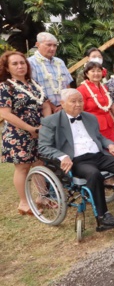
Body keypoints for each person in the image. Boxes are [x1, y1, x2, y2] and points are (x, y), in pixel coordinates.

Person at [38, 89, 114, 230]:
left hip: (97, 155)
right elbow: (43, 147)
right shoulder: (51, 121)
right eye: (73, 101)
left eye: (80, 101)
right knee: (94, 174)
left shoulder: (89, 117)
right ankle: (103, 215)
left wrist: (110, 144)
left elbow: (99, 137)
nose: (78, 104)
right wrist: (62, 156)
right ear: (62, 104)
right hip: (76, 160)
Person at [0, 51, 51, 215]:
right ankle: (23, 203)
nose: (20, 66)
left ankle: (42, 197)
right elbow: (5, 114)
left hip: (40, 130)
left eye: (22, 63)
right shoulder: (4, 87)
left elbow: (45, 105)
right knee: (23, 168)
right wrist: (30, 129)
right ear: (7, 68)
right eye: (15, 64)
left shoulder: (33, 84)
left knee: (39, 164)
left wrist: (46, 124)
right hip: (18, 134)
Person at [28, 32, 73, 112]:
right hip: (44, 110)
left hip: (64, 108)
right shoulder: (30, 63)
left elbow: (67, 85)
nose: (52, 48)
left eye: (55, 45)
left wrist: (66, 104)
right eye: (48, 45)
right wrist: (53, 108)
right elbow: (34, 89)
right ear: (37, 44)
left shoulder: (60, 62)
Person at [77, 62, 114, 143]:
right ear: (87, 74)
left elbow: (107, 108)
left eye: (99, 71)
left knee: (112, 149)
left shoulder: (104, 87)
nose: (96, 73)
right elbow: (79, 111)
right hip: (93, 126)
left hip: (109, 125)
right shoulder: (82, 89)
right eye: (93, 71)